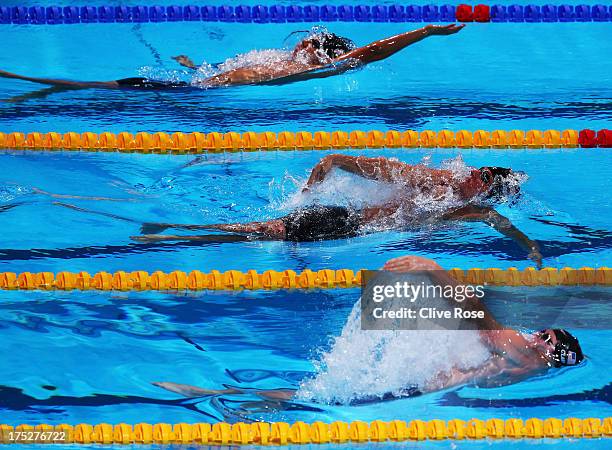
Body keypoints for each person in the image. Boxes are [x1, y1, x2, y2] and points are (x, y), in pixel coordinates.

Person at [152, 255, 584, 405]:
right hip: (421, 393)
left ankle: (212, 398)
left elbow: (484, 323)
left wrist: (434, 271)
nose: (539, 334)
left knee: (307, 399)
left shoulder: (527, 354)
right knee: (307, 399)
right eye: (545, 331)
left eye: (549, 336)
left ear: (551, 348)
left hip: (414, 391)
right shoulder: (530, 365)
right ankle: (221, 399)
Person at [133, 154, 543, 267]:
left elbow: (493, 220)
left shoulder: (459, 210)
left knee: (263, 231)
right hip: (342, 222)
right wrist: (328, 167)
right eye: (481, 170)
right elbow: (350, 160)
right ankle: (176, 230)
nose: (475, 174)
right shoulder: (429, 183)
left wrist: (528, 245)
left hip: (345, 227)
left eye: (485, 177)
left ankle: (174, 228)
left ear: (486, 190)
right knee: (261, 231)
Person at [0, 24, 464, 90]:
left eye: (311, 39)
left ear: (320, 49)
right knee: (120, 88)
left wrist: (428, 30)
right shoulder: (290, 59)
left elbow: (376, 49)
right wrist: (196, 69)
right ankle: (29, 87)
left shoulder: (324, 65)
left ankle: (24, 80)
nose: (301, 41)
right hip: (202, 84)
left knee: (111, 89)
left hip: (205, 95)